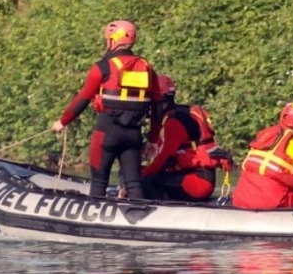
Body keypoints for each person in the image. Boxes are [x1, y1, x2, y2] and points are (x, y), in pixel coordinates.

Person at [50, 20, 161, 199]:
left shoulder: (102, 67)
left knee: (99, 183)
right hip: (133, 135)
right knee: (133, 183)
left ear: (113, 40)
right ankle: (137, 218)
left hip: (106, 134)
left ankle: (95, 220)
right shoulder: (147, 68)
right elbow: (157, 106)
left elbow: (83, 99)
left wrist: (62, 122)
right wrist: (153, 140)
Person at [136, 74, 233, 201]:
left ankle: (162, 211)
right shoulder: (178, 114)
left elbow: (162, 160)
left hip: (197, 182)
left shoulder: (175, 122)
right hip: (189, 176)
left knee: (146, 181)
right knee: (137, 174)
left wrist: (136, 182)